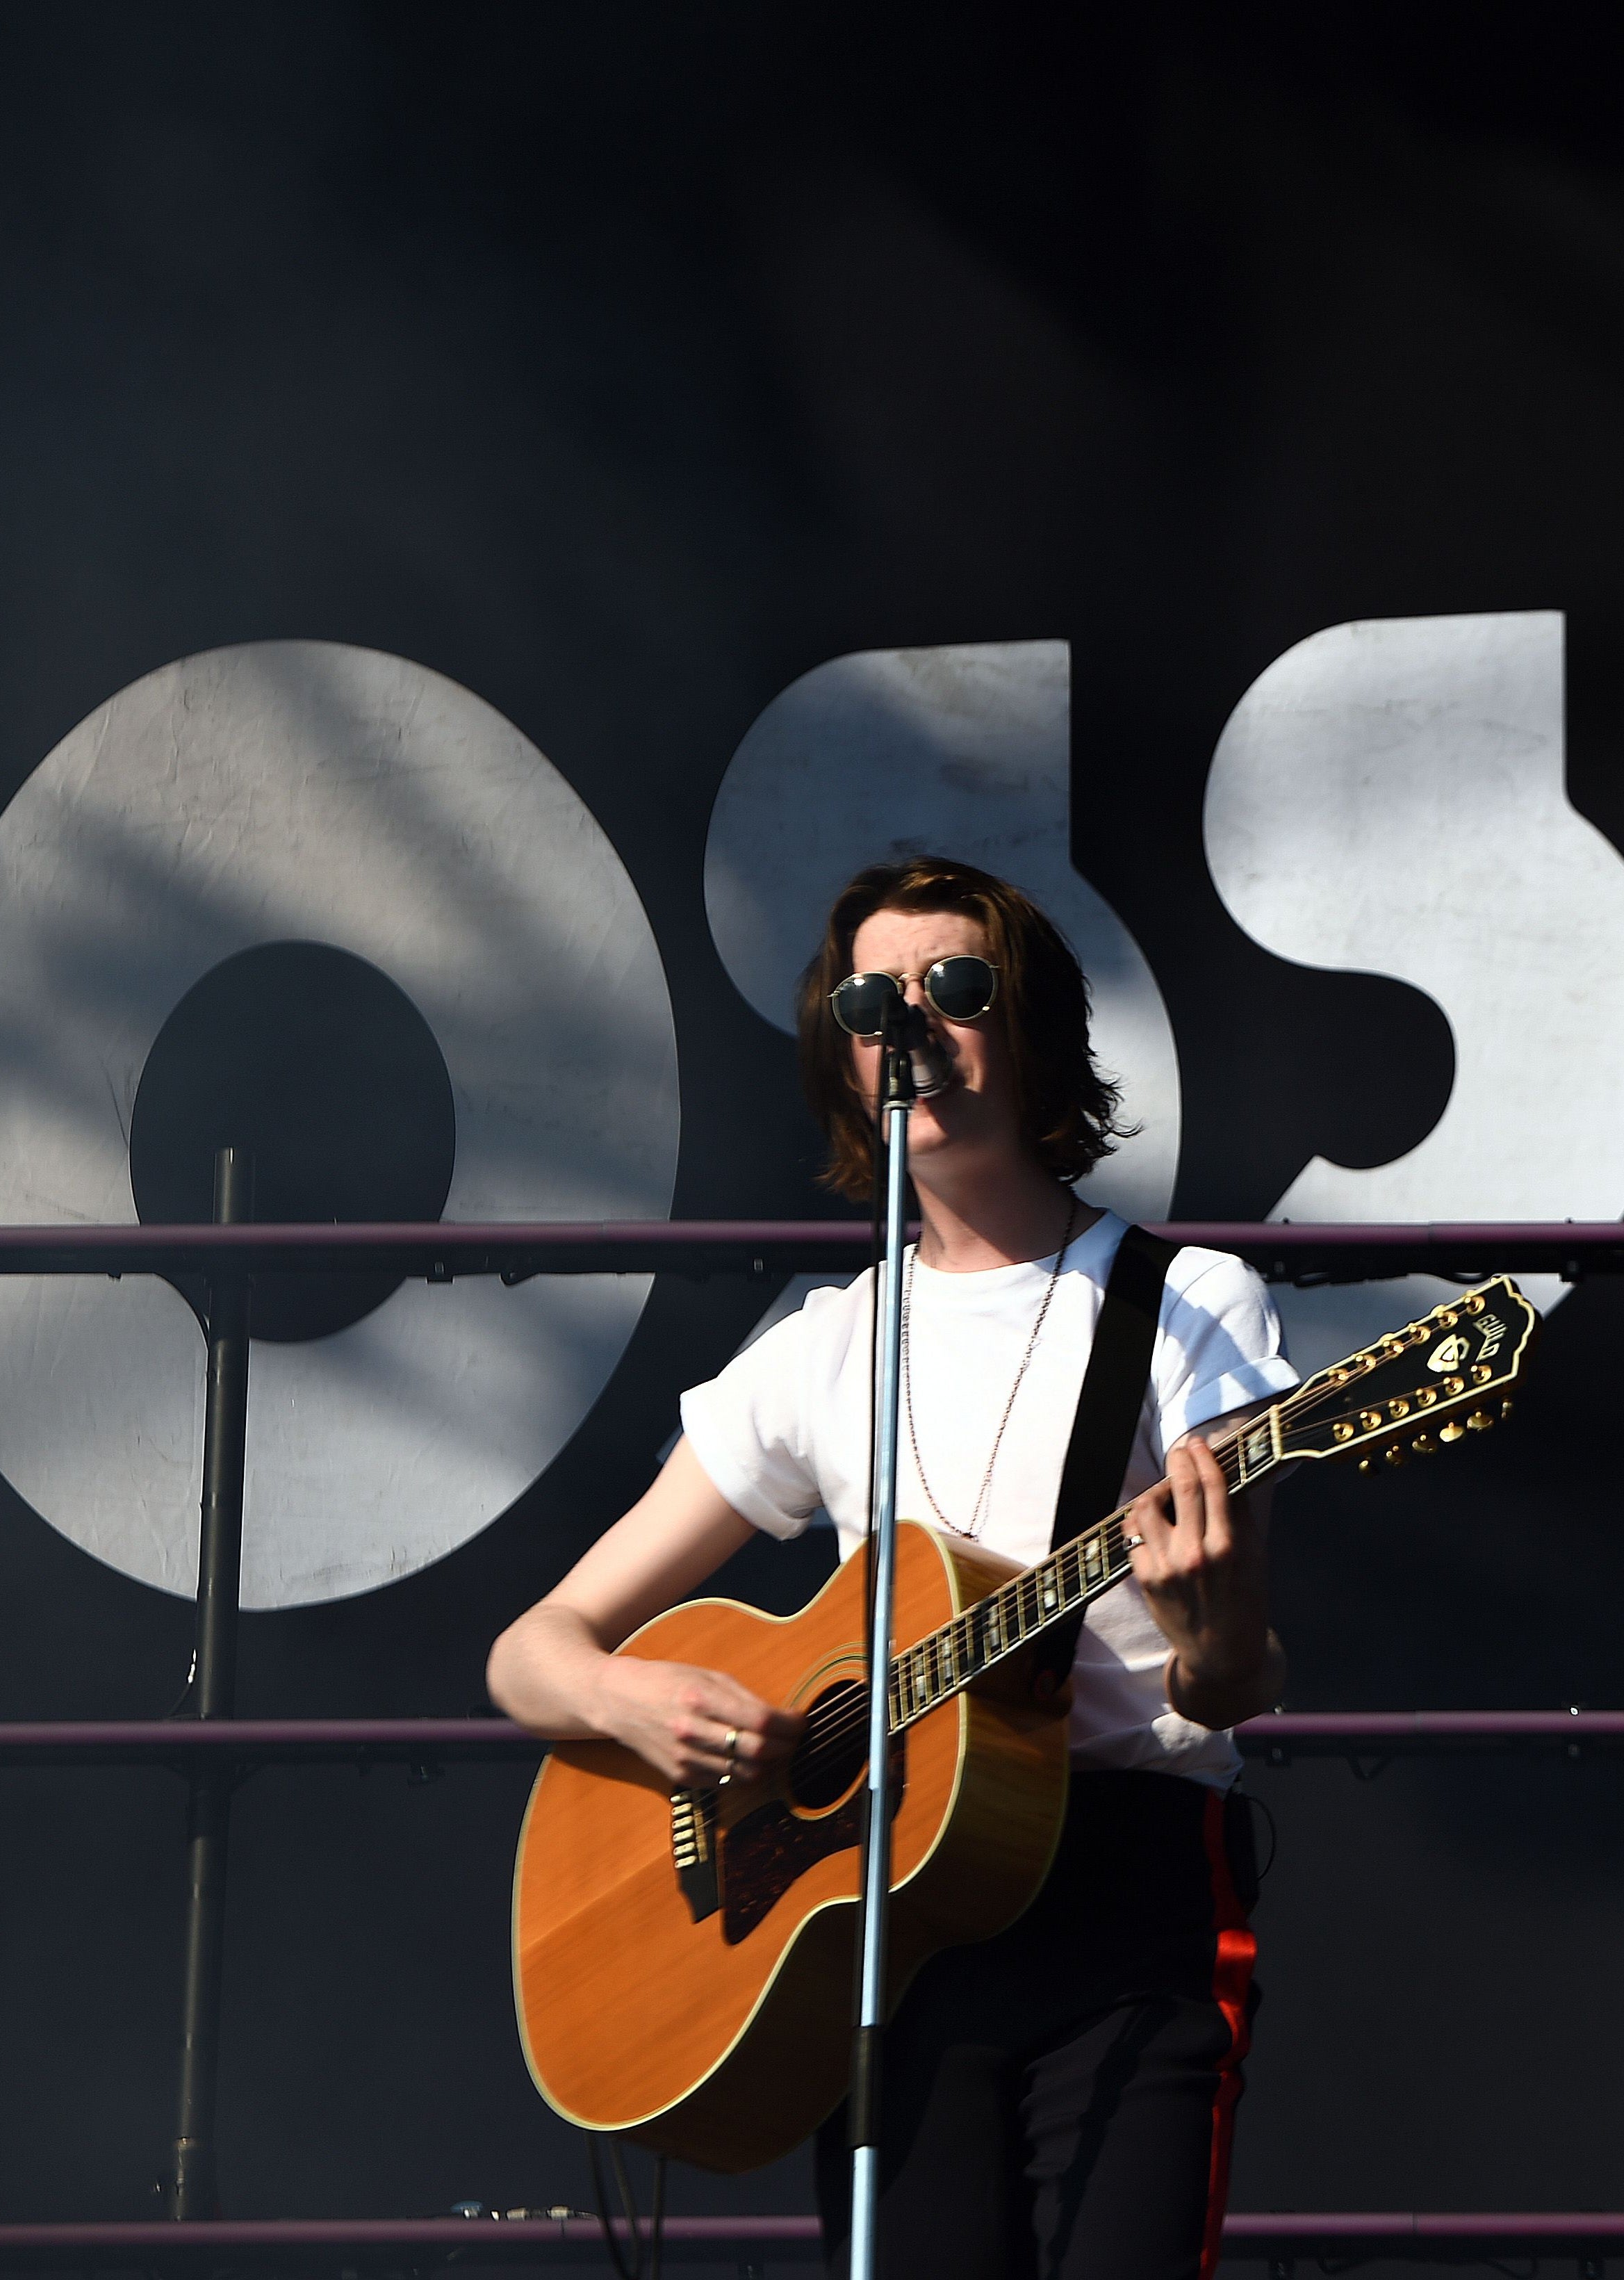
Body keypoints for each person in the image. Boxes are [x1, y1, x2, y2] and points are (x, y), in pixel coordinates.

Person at [487, 854, 1295, 2280]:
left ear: (1032, 1029)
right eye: (872, 998)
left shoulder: (1183, 1304)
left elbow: (1231, 1680)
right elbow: (535, 1648)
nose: (910, 1019)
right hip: (882, 1922)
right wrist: (641, 1705)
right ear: (841, 1048)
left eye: (956, 987)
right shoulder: (824, 1345)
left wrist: (1210, 1637)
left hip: (1124, 1901)